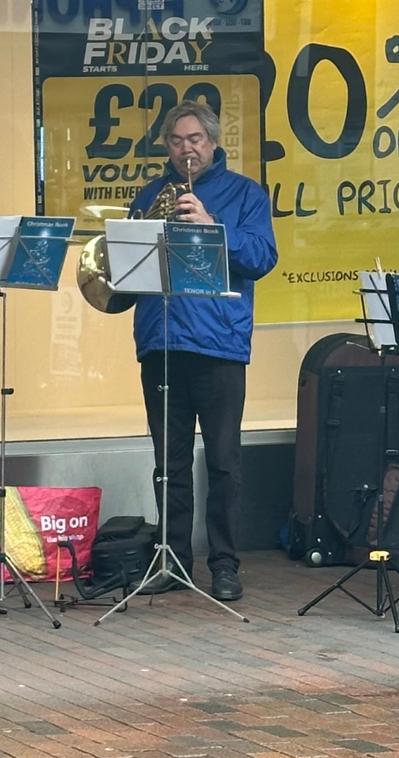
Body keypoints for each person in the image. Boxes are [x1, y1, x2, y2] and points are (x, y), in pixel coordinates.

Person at [128, 100, 277, 602]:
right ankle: (172, 560)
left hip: (219, 344)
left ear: (212, 143)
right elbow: (127, 274)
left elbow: (261, 258)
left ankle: (224, 563)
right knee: (167, 461)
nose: (185, 148)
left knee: (224, 461)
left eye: (194, 139)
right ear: (167, 146)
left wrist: (212, 225)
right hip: (162, 341)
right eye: (176, 140)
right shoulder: (150, 196)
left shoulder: (245, 194)